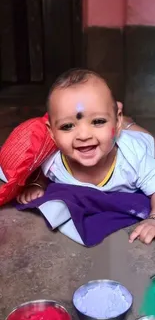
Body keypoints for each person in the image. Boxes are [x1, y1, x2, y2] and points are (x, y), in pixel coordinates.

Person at [17, 69, 155, 245]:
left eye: (98, 121)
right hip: (115, 132)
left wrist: (153, 218)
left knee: (149, 141)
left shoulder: (134, 157)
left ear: (116, 122)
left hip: (140, 141)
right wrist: (37, 184)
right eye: (67, 126)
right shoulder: (53, 162)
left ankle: (128, 124)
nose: (83, 135)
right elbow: (42, 173)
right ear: (51, 133)